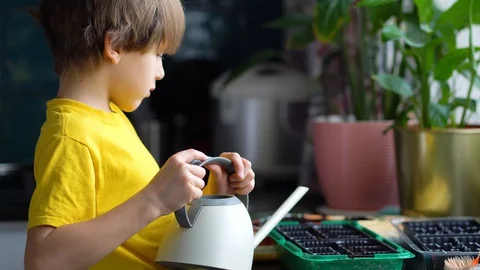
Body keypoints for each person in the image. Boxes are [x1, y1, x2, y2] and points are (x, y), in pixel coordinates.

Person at [23, 0, 255, 269]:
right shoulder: (71, 136)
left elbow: (138, 226)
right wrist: (155, 199)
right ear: (116, 46)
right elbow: (43, 261)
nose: (161, 72)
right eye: (158, 54)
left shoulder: (110, 117)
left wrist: (216, 188)